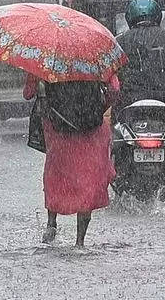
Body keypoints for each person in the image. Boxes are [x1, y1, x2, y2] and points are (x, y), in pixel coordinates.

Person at [25, 71, 120, 247]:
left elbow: (28, 93)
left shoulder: (47, 60)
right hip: (90, 128)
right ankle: (79, 242)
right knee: (88, 182)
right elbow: (114, 89)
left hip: (58, 127)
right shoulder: (95, 58)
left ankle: (51, 223)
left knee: (57, 175)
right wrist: (98, 107)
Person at [115, 0, 165, 108]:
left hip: (129, 101)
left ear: (129, 17)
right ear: (157, 15)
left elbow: (110, 73)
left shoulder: (119, 42)